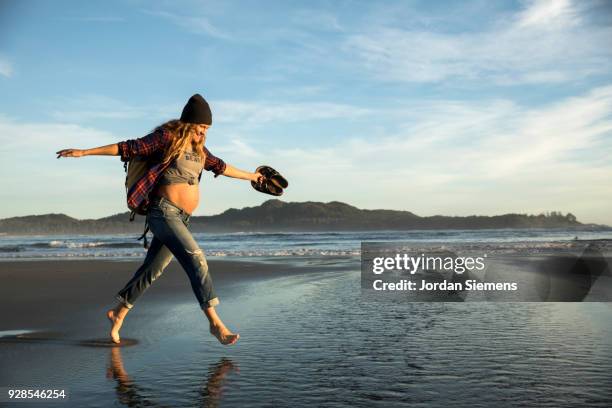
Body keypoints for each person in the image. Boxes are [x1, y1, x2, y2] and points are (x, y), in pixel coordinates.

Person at [56, 94, 262, 346]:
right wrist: (85, 152)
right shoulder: (167, 138)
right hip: (162, 213)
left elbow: (222, 167)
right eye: (201, 126)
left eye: (207, 128)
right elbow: (128, 147)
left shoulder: (200, 150)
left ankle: (118, 313)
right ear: (188, 123)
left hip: (181, 219)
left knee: (152, 269)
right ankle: (215, 324)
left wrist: (252, 177)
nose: (204, 132)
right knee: (196, 258)